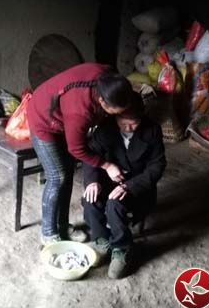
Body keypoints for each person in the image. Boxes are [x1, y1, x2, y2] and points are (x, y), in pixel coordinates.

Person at [27, 63, 133, 245]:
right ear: (102, 102)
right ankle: (48, 233)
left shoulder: (109, 78)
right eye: (115, 113)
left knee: (68, 172)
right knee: (57, 176)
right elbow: (76, 148)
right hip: (43, 118)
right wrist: (107, 165)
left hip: (63, 114)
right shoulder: (80, 111)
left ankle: (62, 226)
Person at [82, 93, 166, 279]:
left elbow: (157, 166)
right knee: (90, 198)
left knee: (115, 203)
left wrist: (129, 186)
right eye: (123, 122)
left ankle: (122, 248)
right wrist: (93, 181)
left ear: (141, 117)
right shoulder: (105, 128)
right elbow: (91, 157)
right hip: (109, 180)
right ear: (115, 116)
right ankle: (102, 240)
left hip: (138, 186)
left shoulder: (152, 130)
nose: (128, 127)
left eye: (133, 123)